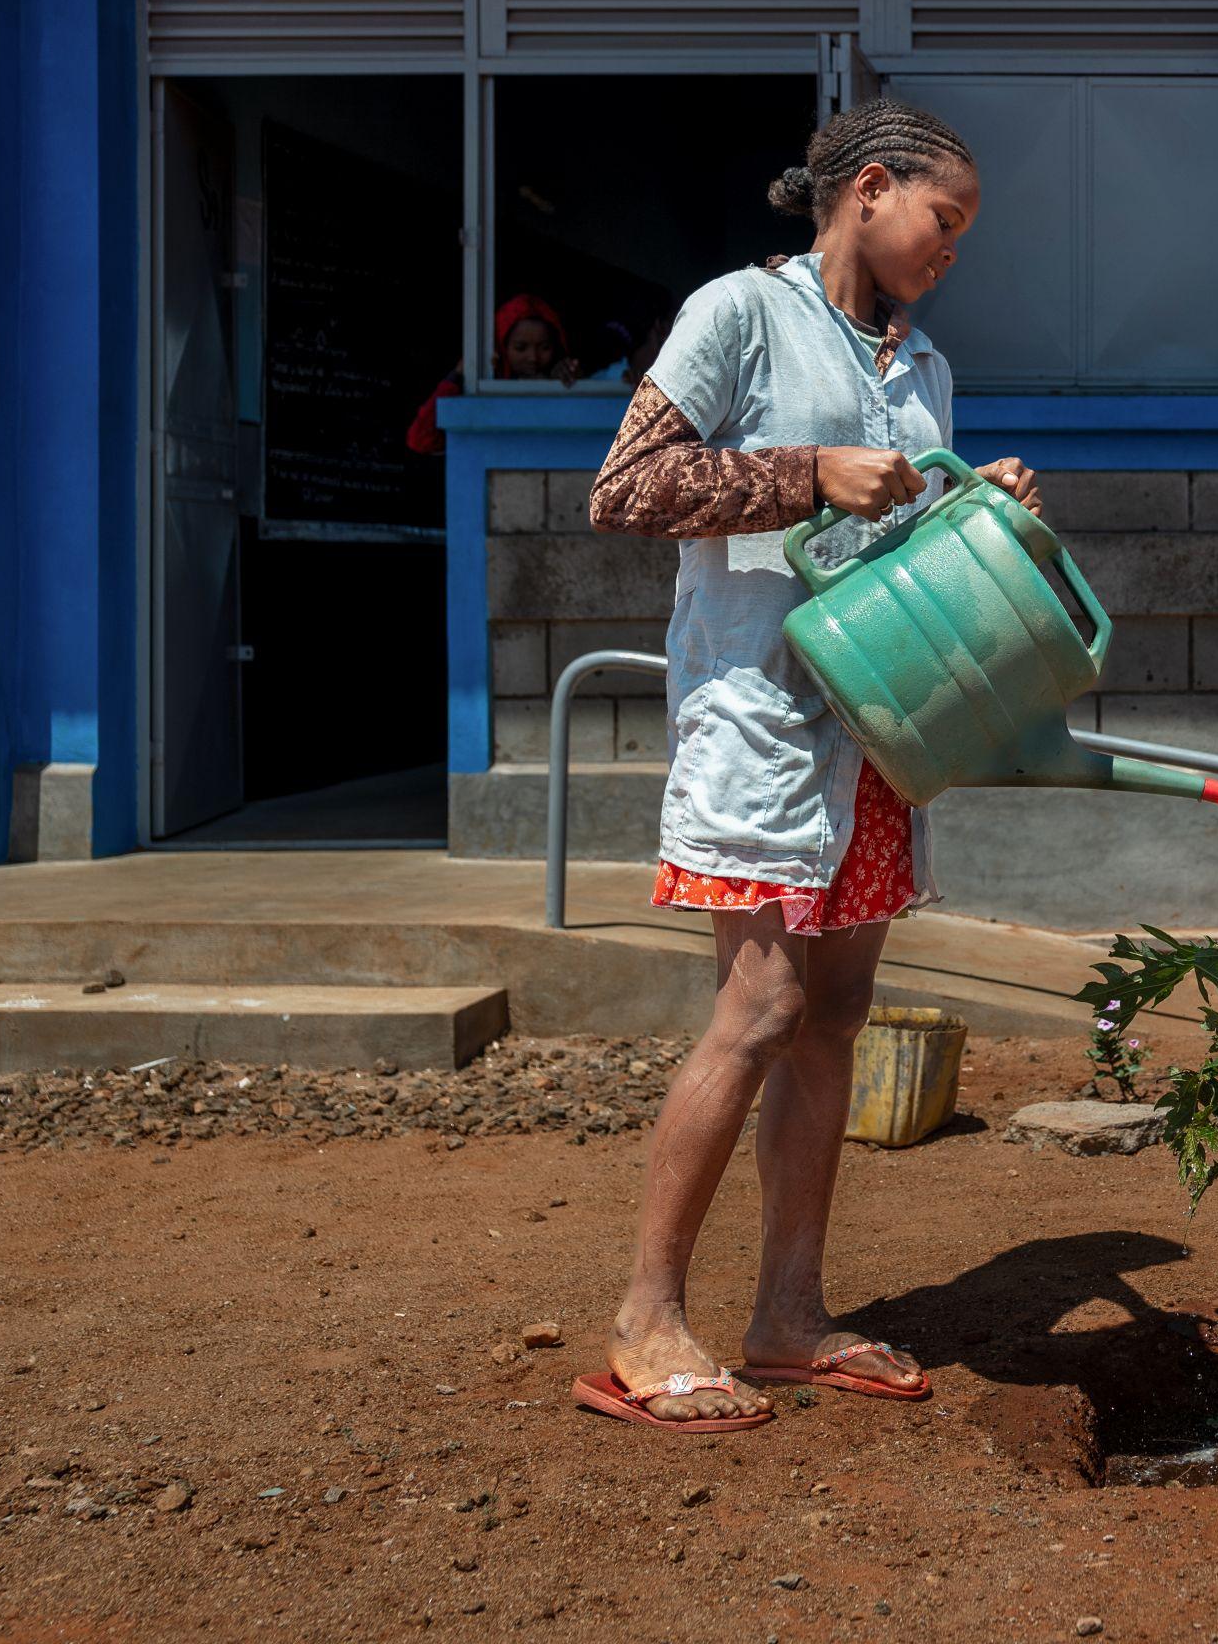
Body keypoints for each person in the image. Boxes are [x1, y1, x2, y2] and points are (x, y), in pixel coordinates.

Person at [572, 100, 1041, 1431]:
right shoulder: (739, 313)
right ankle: (646, 1321)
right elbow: (623, 489)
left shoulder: (923, 366)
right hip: (763, 718)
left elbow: (897, 544)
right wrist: (802, 473)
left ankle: (788, 1312)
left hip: (877, 727)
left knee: (835, 1017)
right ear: (872, 190)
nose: (952, 253)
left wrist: (976, 504)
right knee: (762, 1012)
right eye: (943, 224)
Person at [404, 292, 584, 455]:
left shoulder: (566, 379)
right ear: (501, 348)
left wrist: (573, 384)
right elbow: (421, 440)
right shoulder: (482, 389)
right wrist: (459, 375)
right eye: (520, 348)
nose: (533, 358)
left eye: (545, 348)